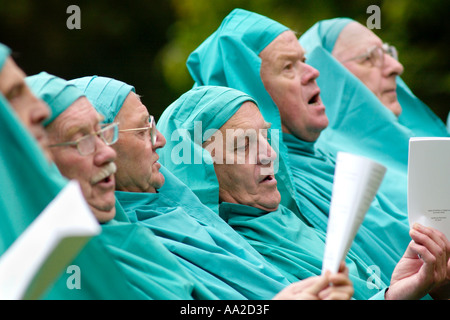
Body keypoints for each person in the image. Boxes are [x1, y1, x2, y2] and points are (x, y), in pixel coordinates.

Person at [185, 8, 447, 286]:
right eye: (289, 67)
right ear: (250, 90)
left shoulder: (329, 159)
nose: (314, 73)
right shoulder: (267, 194)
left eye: (304, 60)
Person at [70, 74, 355, 300]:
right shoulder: (108, 249)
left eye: (267, 137)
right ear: (203, 169)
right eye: (143, 129)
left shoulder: (186, 218)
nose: (159, 140)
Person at [157, 84, 450, 300]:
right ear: (202, 169)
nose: (269, 153)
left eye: (265, 135)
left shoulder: (288, 219)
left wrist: (396, 293)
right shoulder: (218, 257)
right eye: (244, 144)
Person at [25, 71, 217, 300]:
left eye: (101, 133)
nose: (107, 152)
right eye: (81, 140)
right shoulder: (45, 275)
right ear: (33, 160)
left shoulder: (131, 240)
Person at [297, 18, 449, 213]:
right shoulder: (318, 173)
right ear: (325, 77)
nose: (396, 67)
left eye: (388, 52)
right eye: (368, 58)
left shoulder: (426, 149)